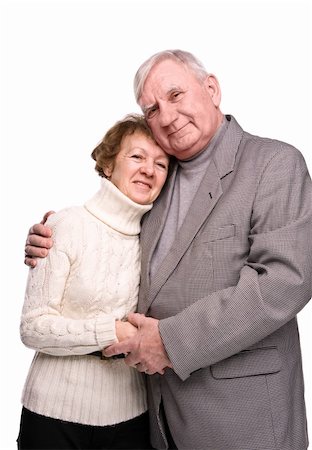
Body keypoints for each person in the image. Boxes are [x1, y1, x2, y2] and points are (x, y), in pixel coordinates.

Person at [24, 50, 312, 450]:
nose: (167, 116)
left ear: (211, 88)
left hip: (242, 419)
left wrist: (171, 342)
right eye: (152, 108)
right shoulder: (160, 176)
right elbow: (111, 232)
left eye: (176, 95)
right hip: (158, 419)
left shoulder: (274, 163)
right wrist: (55, 233)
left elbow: (283, 282)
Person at [18, 113, 170, 450]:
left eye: (161, 164)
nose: (149, 169)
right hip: (53, 417)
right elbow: (32, 327)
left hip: (131, 419)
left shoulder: (155, 240)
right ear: (108, 165)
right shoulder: (65, 225)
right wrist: (113, 332)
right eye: (137, 157)